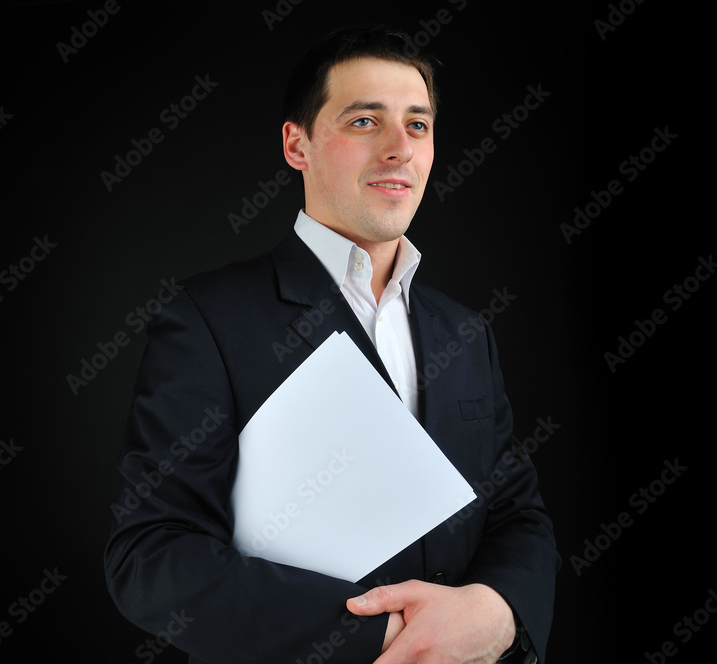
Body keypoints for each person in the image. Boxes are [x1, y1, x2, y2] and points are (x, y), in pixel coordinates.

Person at [104, 25, 559, 664]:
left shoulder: (465, 332)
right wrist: (384, 636)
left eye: (418, 124)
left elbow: (518, 516)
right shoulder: (207, 318)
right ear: (298, 145)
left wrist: (499, 611)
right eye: (365, 121)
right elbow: (152, 557)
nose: (399, 148)